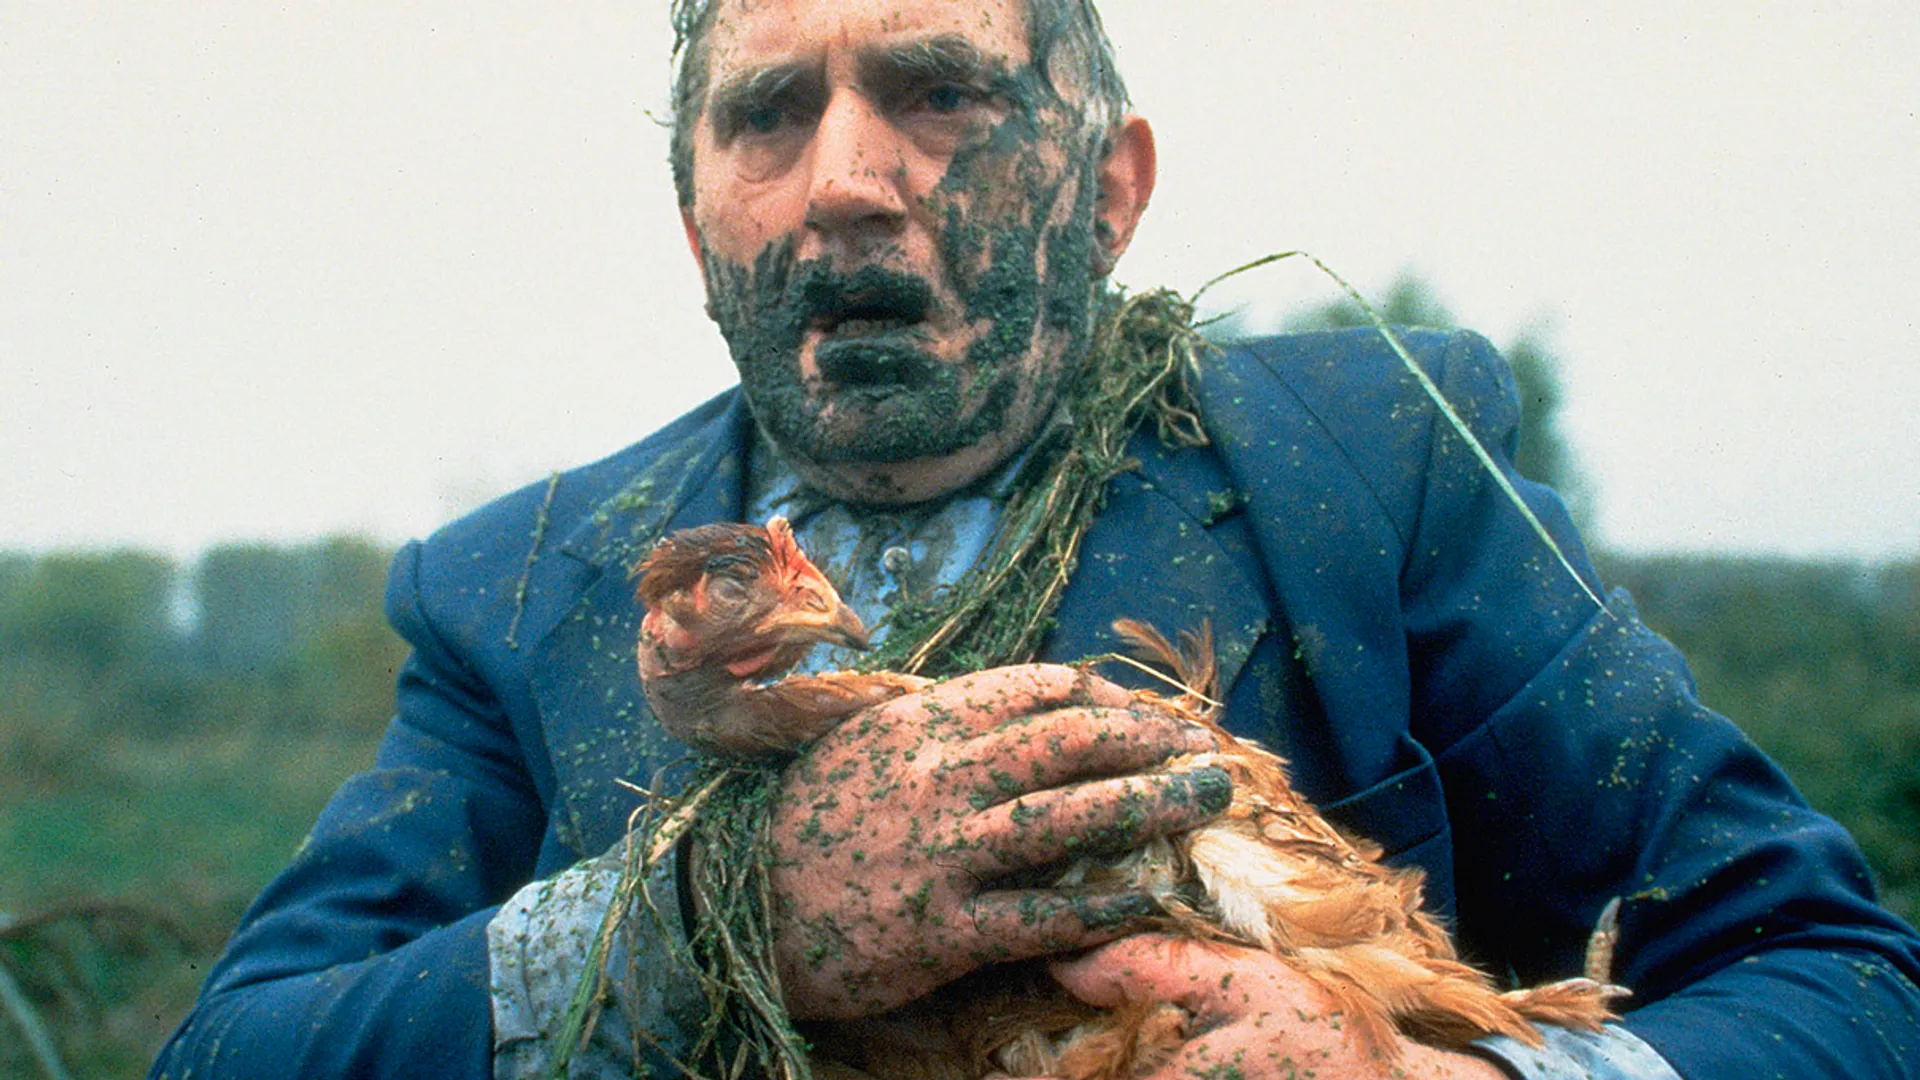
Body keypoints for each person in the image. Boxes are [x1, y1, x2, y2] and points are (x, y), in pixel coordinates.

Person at [152, 0, 1920, 1076]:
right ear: (697, 224)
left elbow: (1835, 983)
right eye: (767, 115)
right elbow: (236, 1051)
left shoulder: (1366, 464)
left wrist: (1436, 1078)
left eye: (940, 89)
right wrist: (716, 920)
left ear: (1109, 190)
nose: (845, 177)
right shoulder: (521, 586)